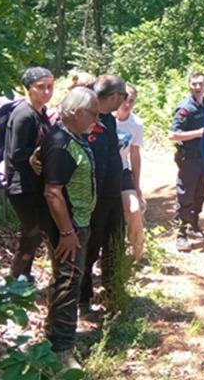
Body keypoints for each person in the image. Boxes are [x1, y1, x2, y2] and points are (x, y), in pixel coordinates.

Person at [39, 86, 99, 369]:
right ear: (75, 113)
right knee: (68, 283)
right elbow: (53, 192)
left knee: (67, 280)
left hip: (78, 225)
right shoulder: (62, 142)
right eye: (93, 114)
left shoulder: (73, 136)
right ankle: (62, 351)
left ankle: (57, 335)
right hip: (69, 227)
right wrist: (67, 232)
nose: (96, 120)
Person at [80, 75, 127, 314]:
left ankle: (112, 291)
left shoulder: (108, 118)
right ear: (114, 96)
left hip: (112, 195)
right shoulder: (87, 114)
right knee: (89, 249)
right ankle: (82, 299)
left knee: (114, 243)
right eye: (123, 96)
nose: (124, 102)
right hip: (93, 199)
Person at [5, 66, 54, 282]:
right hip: (22, 185)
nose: (46, 92)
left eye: (50, 87)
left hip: (36, 184)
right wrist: (38, 153)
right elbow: (16, 152)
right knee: (32, 232)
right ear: (28, 88)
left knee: (34, 233)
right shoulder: (24, 115)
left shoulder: (41, 113)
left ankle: (23, 276)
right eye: (40, 87)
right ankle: (15, 280)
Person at [168, 71, 204, 252]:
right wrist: (198, 133)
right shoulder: (185, 108)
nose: (197, 87)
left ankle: (193, 225)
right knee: (186, 195)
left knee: (200, 194)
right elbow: (173, 135)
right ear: (189, 85)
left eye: (200, 84)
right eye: (194, 84)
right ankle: (181, 234)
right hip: (189, 159)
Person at [114, 83, 145, 260]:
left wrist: (137, 185)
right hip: (104, 172)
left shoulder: (136, 124)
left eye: (131, 101)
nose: (127, 104)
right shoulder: (105, 118)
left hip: (123, 171)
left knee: (134, 210)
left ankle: (139, 254)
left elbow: (135, 154)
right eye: (124, 99)